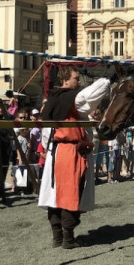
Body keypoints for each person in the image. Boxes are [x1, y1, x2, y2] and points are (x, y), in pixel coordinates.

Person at [39, 66, 110, 249]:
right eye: (76, 79)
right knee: (70, 194)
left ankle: (57, 237)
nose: (78, 82)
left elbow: (46, 132)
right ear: (65, 80)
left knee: (54, 196)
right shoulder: (74, 100)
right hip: (69, 153)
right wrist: (108, 76)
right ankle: (68, 239)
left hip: (55, 151)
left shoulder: (52, 100)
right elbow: (99, 89)